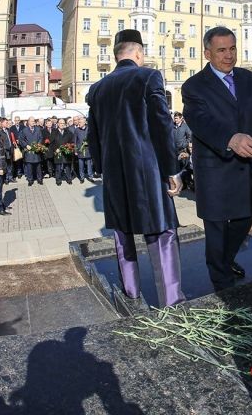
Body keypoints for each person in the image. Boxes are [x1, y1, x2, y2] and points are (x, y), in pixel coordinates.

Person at [86, 29, 185, 307]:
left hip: (114, 176)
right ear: (138, 53)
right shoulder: (148, 76)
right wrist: (172, 170)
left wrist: (102, 168)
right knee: (161, 233)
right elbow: (161, 126)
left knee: (122, 235)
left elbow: (92, 136)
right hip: (148, 173)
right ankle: (171, 299)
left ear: (117, 54)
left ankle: (131, 293)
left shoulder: (97, 88)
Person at [182, 26, 252, 291]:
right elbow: (200, 121)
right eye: (221, 50)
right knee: (216, 228)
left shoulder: (247, 78)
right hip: (214, 168)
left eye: (232, 48)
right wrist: (230, 139)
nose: (229, 55)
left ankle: (225, 260)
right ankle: (222, 284)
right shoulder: (194, 86)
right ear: (207, 53)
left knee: (245, 219)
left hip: (244, 165)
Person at [18, 117, 43, 186]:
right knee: (29, 167)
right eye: (32, 121)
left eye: (34, 121)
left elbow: (41, 137)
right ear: (28, 122)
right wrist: (26, 146)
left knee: (38, 166)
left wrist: (39, 144)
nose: (33, 122)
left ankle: (39, 179)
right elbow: (21, 140)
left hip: (37, 151)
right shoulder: (24, 130)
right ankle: (30, 180)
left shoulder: (38, 129)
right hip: (29, 151)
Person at [50, 119, 74, 185]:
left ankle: (69, 179)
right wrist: (55, 149)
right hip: (58, 152)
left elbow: (72, 141)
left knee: (68, 167)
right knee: (58, 167)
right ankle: (58, 180)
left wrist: (69, 147)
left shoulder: (68, 132)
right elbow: (51, 143)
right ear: (58, 124)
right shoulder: (54, 132)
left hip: (66, 152)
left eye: (63, 123)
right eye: (61, 123)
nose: (62, 124)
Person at [74, 117, 95, 183]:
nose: (78, 123)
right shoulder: (77, 130)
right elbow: (74, 141)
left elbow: (93, 139)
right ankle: (82, 177)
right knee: (81, 165)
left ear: (84, 123)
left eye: (80, 122)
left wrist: (89, 142)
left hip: (88, 150)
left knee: (89, 165)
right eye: (78, 122)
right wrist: (75, 150)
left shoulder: (89, 129)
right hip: (80, 150)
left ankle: (90, 176)